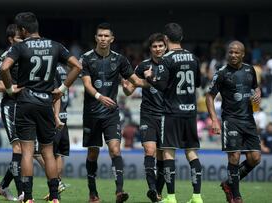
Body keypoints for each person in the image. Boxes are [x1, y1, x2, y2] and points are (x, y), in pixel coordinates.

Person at [0, 12, 82, 203]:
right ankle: (54, 197)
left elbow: (4, 68)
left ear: (22, 30)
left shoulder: (20, 47)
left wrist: (11, 89)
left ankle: (28, 198)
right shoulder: (55, 45)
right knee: (47, 151)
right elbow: (77, 66)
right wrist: (61, 89)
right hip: (46, 103)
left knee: (27, 151)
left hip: (25, 102)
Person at [80, 22, 147, 203]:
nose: (103, 39)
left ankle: (119, 191)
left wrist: (154, 80)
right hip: (92, 113)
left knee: (115, 150)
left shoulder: (120, 59)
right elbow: (86, 84)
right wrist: (99, 96)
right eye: (100, 36)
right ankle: (93, 194)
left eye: (106, 36)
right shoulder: (86, 58)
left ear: (112, 39)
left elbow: (136, 81)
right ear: (96, 38)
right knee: (92, 153)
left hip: (111, 113)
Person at [144, 23, 203, 203]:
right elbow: (199, 83)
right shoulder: (194, 58)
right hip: (190, 112)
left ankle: (171, 197)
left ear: (166, 40)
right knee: (192, 153)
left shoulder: (167, 59)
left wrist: (149, 77)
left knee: (168, 153)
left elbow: (161, 86)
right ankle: (197, 196)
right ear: (182, 38)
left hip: (171, 112)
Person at [206, 40, 262, 203]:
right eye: (230, 52)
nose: (233, 55)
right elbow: (209, 96)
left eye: (237, 52)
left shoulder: (250, 70)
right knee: (234, 157)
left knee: (255, 158)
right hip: (231, 120)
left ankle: (229, 183)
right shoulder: (222, 73)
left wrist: (258, 93)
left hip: (249, 120)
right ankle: (236, 196)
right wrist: (214, 120)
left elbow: (256, 87)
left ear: (243, 54)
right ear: (227, 53)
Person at [122, 32, 167, 202]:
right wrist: (126, 87)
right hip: (148, 114)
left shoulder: (170, 65)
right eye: (154, 46)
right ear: (150, 49)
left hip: (166, 115)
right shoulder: (142, 67)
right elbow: (129, 91)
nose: (157, 49)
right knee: (150, 151)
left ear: (165, 46)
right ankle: (153, 189)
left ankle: (158, 192)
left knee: (163, 156)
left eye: (160, 46)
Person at [0, 24, 23, 201]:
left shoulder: (26, 54)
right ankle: (22, 192)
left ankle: (3, 185)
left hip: (27, 106)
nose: (23, 40)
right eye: (19, 38)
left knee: (23, 151)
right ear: (11, 40)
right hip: (10, 105)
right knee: (18, 148)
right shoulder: (6, 57)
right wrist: (15, 88)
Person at [33, 63, 70, 200]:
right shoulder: (63, 69)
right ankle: (57, 189)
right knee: (58, 154)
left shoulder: (49, 67)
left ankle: (57, 182)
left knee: (37, 152)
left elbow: (54, 93)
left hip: (52, 115)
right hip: (64, 115)